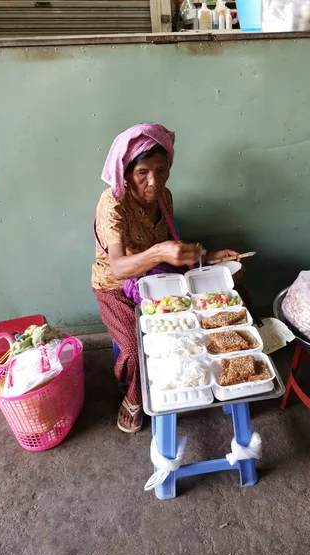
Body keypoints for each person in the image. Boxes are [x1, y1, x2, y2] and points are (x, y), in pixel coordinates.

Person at [92, 124, 240, 433]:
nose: (153, 182)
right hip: (115, 287)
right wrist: (158, 253)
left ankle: (222, 376)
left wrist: (209, 258)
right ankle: (134, 395)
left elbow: (174, 250)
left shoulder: (163, 197)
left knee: (226, 307)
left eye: (161, 170)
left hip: (159, 278)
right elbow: (118, 267)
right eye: (142, 173)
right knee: (136, 349)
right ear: (125, 172)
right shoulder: (112, 204)